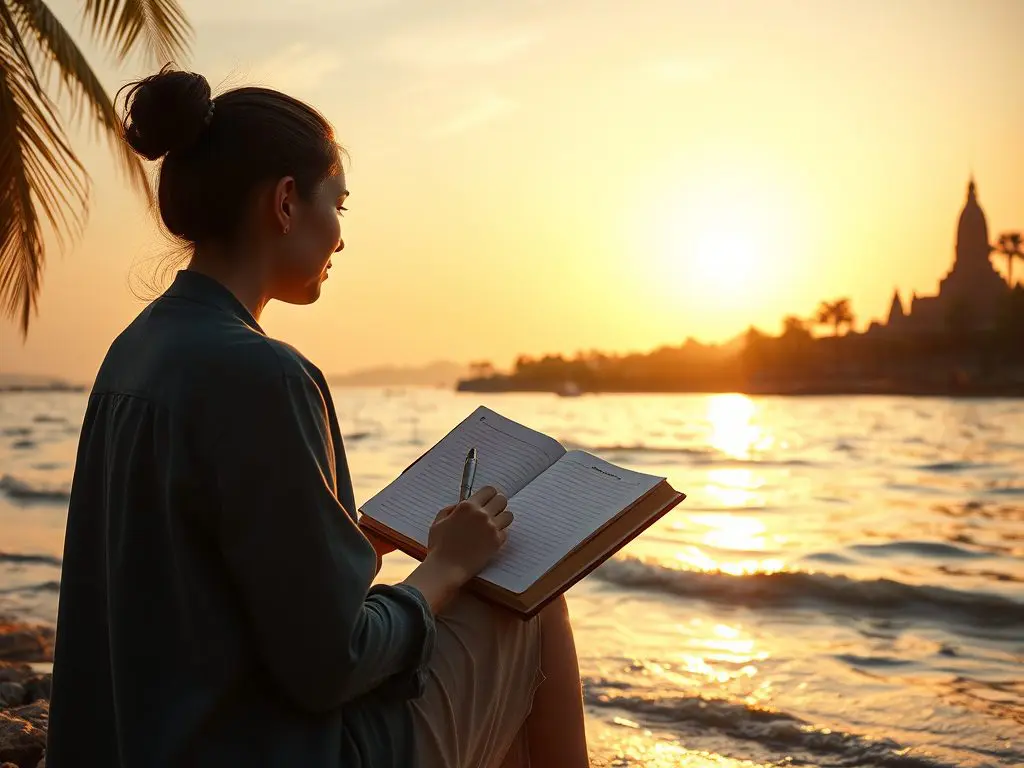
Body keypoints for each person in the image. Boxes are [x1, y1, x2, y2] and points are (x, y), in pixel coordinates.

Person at [46, 67, 589, 768]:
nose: (340, 237)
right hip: (263, 751)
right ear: (284, 203)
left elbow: (200, 576)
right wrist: (448, 567)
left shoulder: (136, 350)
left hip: (144, 740)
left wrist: (352, 545)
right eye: (339, 204)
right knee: (533, 604)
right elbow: (333, 663)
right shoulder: (265, 374)